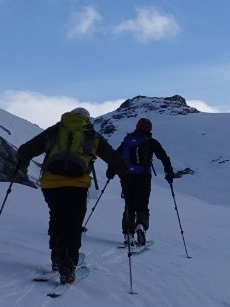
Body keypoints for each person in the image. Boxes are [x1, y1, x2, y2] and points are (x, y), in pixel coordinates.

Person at [15, 107, 124, 284]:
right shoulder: (91, 135)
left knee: (57, 217)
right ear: (87, 119)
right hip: (77, 185)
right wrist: (121, 171)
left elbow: (24, 151)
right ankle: (68, 263)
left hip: (50, 184)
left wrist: (23, 164)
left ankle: (57, 257)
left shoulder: (56, 130)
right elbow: (115, 159)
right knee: (73, 223)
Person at [116, 117, 176, 247]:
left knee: (129, 205)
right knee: (142, 205)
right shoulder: (151, 142)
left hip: (126, 177)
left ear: (137, 126)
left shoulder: (127, 141)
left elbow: (115, 156)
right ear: (149, 129)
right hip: (143, 177)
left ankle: (128, 233)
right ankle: (141, 226)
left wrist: (111, 171)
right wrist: (169, 172)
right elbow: (164, 157)